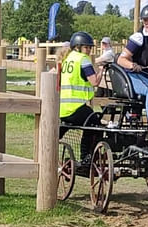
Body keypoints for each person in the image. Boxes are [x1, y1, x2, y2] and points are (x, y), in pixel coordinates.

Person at [59, 31, 104, 167]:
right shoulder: (83, 59)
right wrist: (102, 69)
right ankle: (86, 158)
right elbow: (94, 82)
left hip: (63, 108)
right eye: (86, 47)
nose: (89, 51)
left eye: (90, 48)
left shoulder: (67, 59)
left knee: (60, 130)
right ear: (78, 47)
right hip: (76, 107)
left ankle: (49, 145)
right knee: (95, 124)